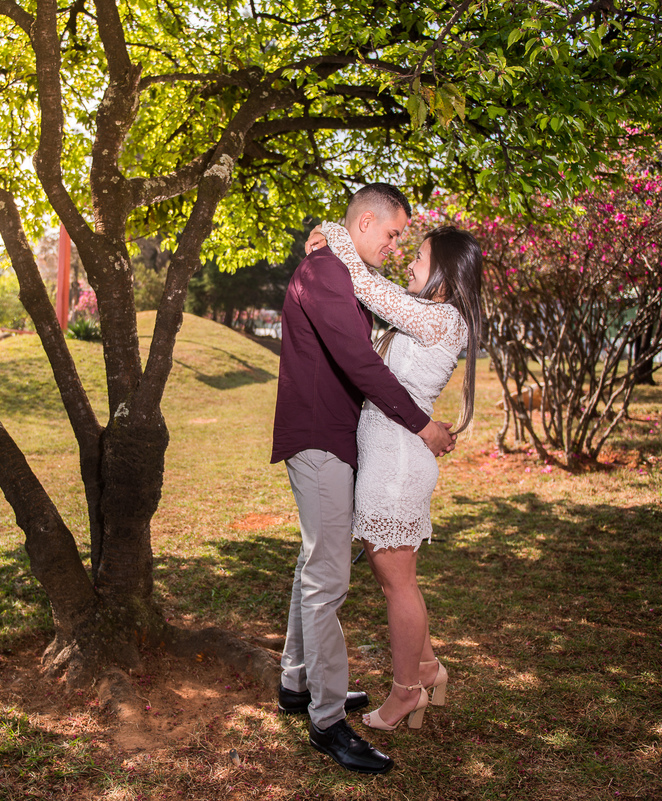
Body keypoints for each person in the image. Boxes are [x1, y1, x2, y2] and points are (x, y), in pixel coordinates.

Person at [271, 183, 457, 775]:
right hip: (323, 439)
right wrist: (422, 424)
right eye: (394, 233)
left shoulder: (334, 267)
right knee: (328, 581)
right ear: (367, 222)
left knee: (314, 567)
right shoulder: (327, 270)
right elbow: (359, 362)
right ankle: (327, 721)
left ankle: (298, 685)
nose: (397, 245)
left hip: (331, 438)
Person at [308, 219, 483, 733]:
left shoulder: (445, 319)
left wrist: (330, 231)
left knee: (399, 585)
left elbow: (365, 285)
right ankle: (427, 667)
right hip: (390, 454)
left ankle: (408, 691)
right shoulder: (431, 315)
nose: (409, 262)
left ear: (445, 276)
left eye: (420, 259)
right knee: (391, 580)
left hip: (398, 461)